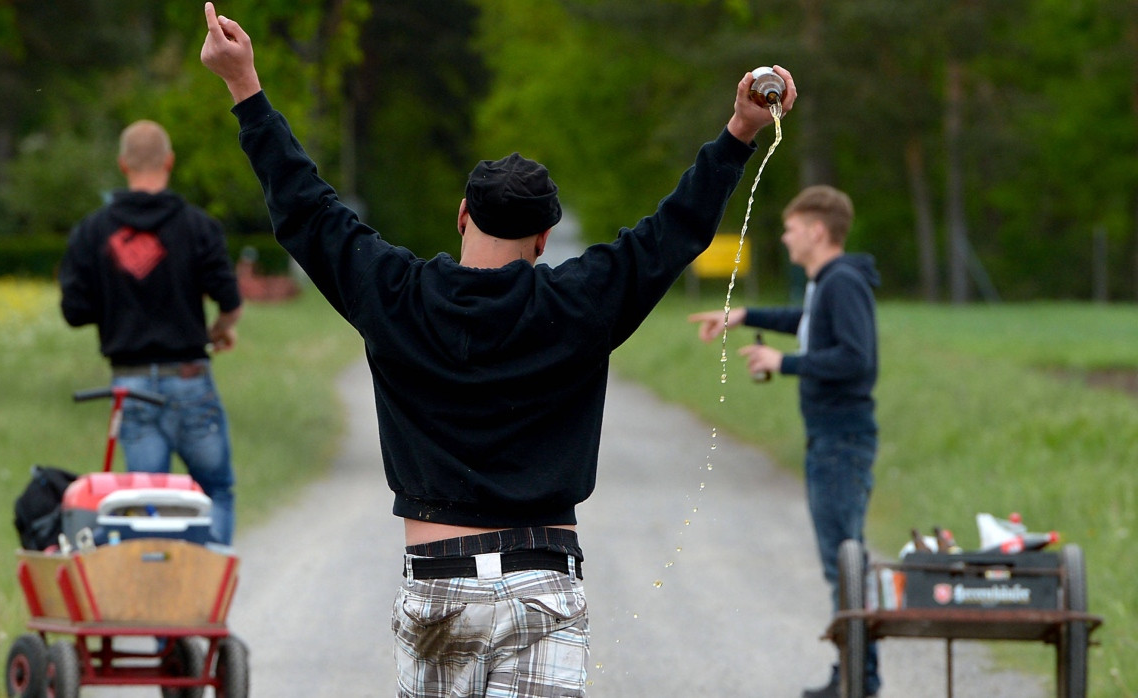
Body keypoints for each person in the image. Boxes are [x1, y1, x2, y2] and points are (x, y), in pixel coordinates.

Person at [201, 3, 793, 695]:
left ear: (462, 216)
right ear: (544, 241)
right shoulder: (580, 301)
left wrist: (245, 87)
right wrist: (741, 130)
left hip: (439, 583)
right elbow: (674, 230)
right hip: (544, 580)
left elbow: (304, 208)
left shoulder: (394, 294)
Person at [688, 185, 881, 697]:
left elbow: (857, 359)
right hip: (831, 438)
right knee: (842, 561)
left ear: (818, 231)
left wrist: (784, 362)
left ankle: (860, 680)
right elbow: (810, 325)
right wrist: (745, 316)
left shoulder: (841, 282)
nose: (784, 236)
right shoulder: (828, 282)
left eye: (792, 227)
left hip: (843, 440)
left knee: (844, 561)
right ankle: (856, 674)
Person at [58, 118, 243, 546]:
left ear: (123, 164)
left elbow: (74, 310)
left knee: (146, 506)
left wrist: (118, 300)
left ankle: (156, 600)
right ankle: (206, 597)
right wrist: (220, 330)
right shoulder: (199, 226)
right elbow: (231, 301)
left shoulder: (92, 232)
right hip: (191, 381)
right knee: (215, 489)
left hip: (132, 386)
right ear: (170, 162)